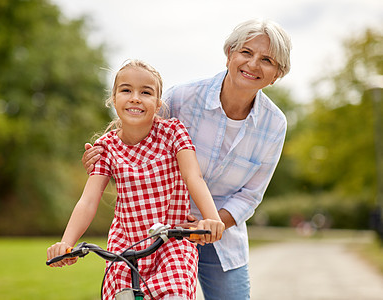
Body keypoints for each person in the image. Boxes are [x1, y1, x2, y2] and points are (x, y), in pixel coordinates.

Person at [83, 19, 292, 299]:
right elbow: (138, 135)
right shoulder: (182, 98)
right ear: (229, 53)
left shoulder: (274, 124)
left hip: (221, 233)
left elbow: (250, 195)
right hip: (161, 229)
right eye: (246, 52)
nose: (253, 64)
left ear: (277, 74)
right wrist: (104, 154)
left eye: (267, 60)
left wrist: (211, 223)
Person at [47, 59, 225, 300]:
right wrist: (66, 244)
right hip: (125, 246)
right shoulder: (106, 147)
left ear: (158, 103)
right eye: (126, 90)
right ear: (113, 98)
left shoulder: (173, 133)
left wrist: (212, 219)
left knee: (176, 293)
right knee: (120, 295)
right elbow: (88, 201)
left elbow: (193, 177)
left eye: (146, 92)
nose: (135, 97)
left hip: (172, 242)